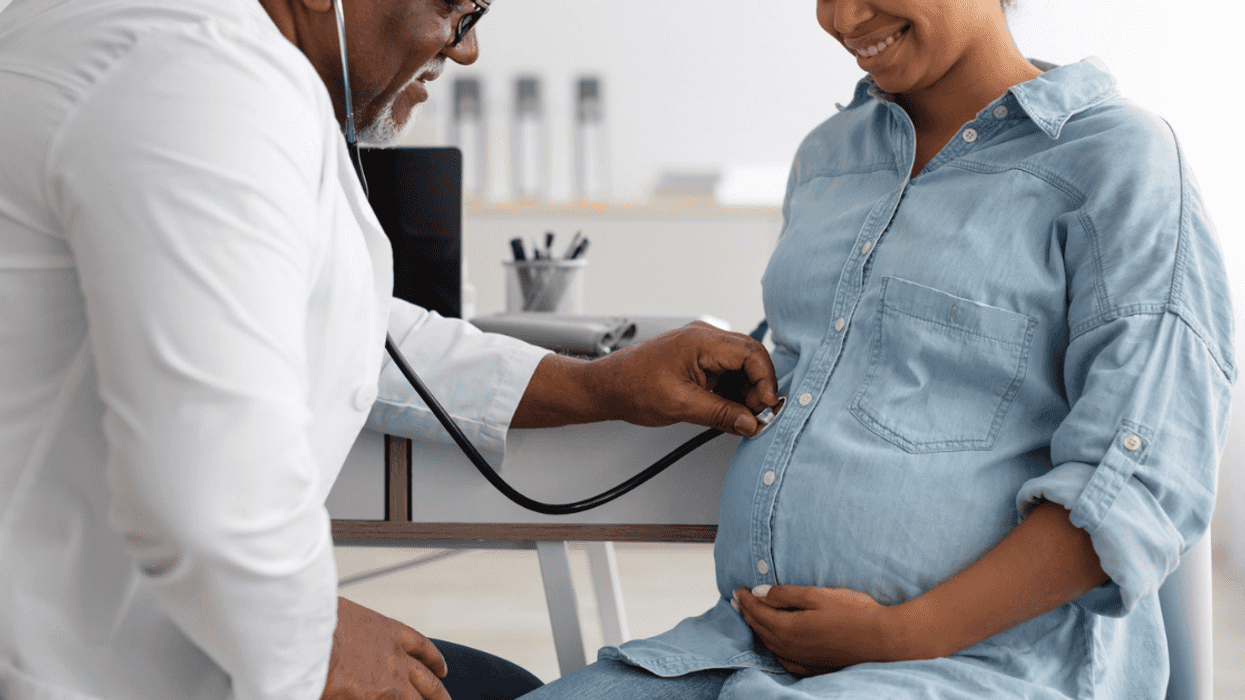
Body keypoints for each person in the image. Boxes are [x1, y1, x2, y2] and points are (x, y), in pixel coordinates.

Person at [0, 1, 782, 699]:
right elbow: (211, 482)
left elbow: (351, 327)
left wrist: (597, 385)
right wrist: (313, 639)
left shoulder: (203, 58)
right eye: (454, 9)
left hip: (145, 610)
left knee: (500, 687)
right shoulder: (200, 80)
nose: (465, 48)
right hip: (77, 654)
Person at [517, 0, 1234, 698]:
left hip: (986, 668)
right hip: (732, 651)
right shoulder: (828, 158)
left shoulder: (1118, 161)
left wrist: (904, 633)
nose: (842, 18)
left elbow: (1136, 476)